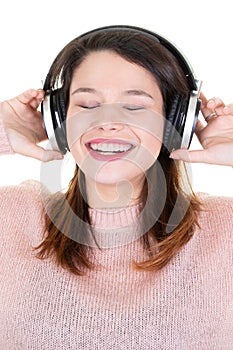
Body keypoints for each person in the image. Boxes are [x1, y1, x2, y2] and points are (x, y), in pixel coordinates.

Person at [0, 26, 233, 350]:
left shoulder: (225, 227)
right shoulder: (11, 215)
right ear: (59, 121)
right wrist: (4, 129)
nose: (107, 122)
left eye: (134, 106)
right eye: (88, 104)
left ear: (176, 123)